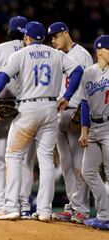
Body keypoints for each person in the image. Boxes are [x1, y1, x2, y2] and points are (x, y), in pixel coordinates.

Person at [0, 21, 83, 221]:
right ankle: (45, 210)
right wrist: (67, 95)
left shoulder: (20, 54)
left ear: (26, 37)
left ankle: (11, 206)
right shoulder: (57, 54)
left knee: (13, 156)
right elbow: (77, 71)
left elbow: (2, 77)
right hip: (50, 108)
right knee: (46, 159)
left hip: (28, 109)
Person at [0, 16, 36, 219]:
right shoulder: (35, 51)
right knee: (24, 161)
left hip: (3, 109)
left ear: (9, 30)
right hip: (28, 110)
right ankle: (24, 206)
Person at [47, 22, 93, 224]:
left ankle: (82, 209)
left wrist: (85, 113)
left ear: (66, 33)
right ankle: (71, 206)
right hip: (58, 113)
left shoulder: (81, 54)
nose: (54, 40)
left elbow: (88, 85)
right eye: (52, 37)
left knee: (78, 163)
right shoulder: (55, 56)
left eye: (57, 36)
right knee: (65, 163)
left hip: (75, 111)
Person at [78, 35, 109, 230]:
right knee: (87, 171)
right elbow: (83, 103)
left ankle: (105, 216)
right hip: (93, 127)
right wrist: (84, 129)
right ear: (99, 50)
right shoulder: (88, 73)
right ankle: (105, 214)